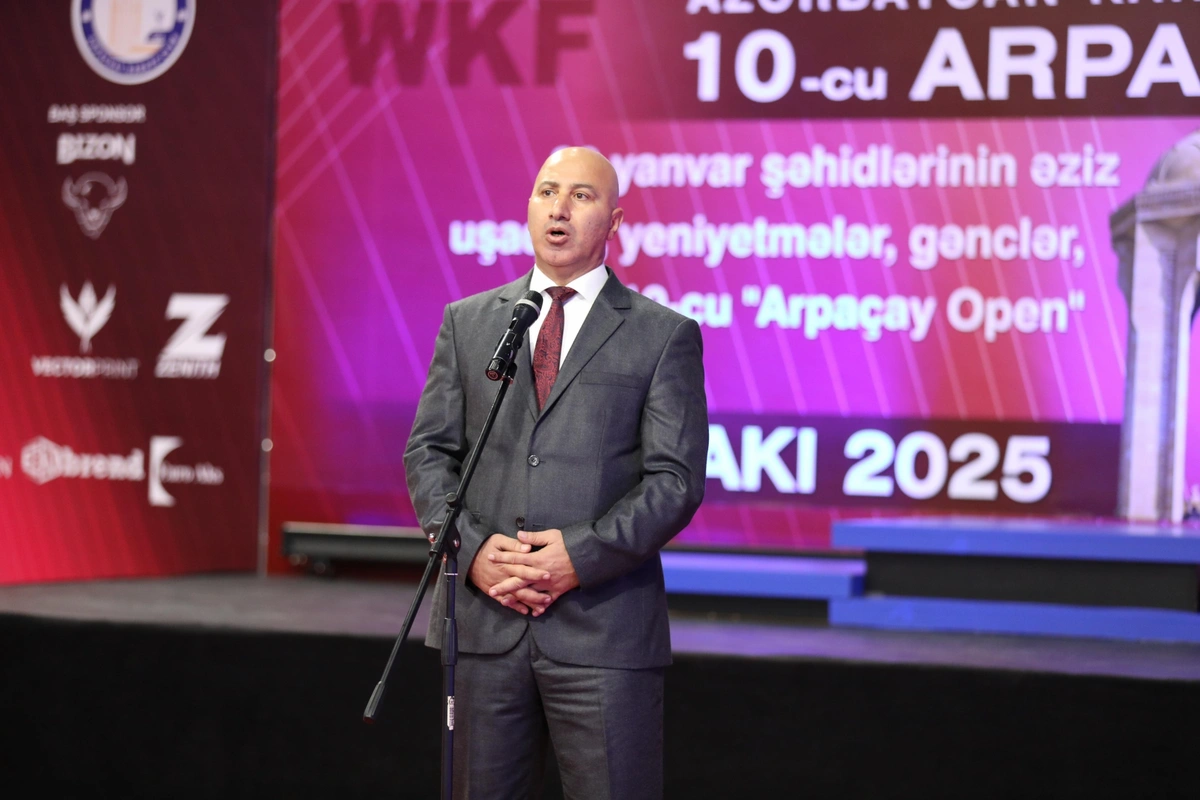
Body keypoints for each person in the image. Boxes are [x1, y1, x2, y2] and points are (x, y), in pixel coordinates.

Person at [404, 146, 708, 799]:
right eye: (546, 192)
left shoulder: (662, 335)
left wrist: (580, 556)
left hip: (603, 632)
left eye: (581, 195)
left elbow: (675, 481)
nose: (559, 209)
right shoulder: (469, 323)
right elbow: (428, 453)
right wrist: (473, 551)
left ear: (614, 221)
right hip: (484, 627)